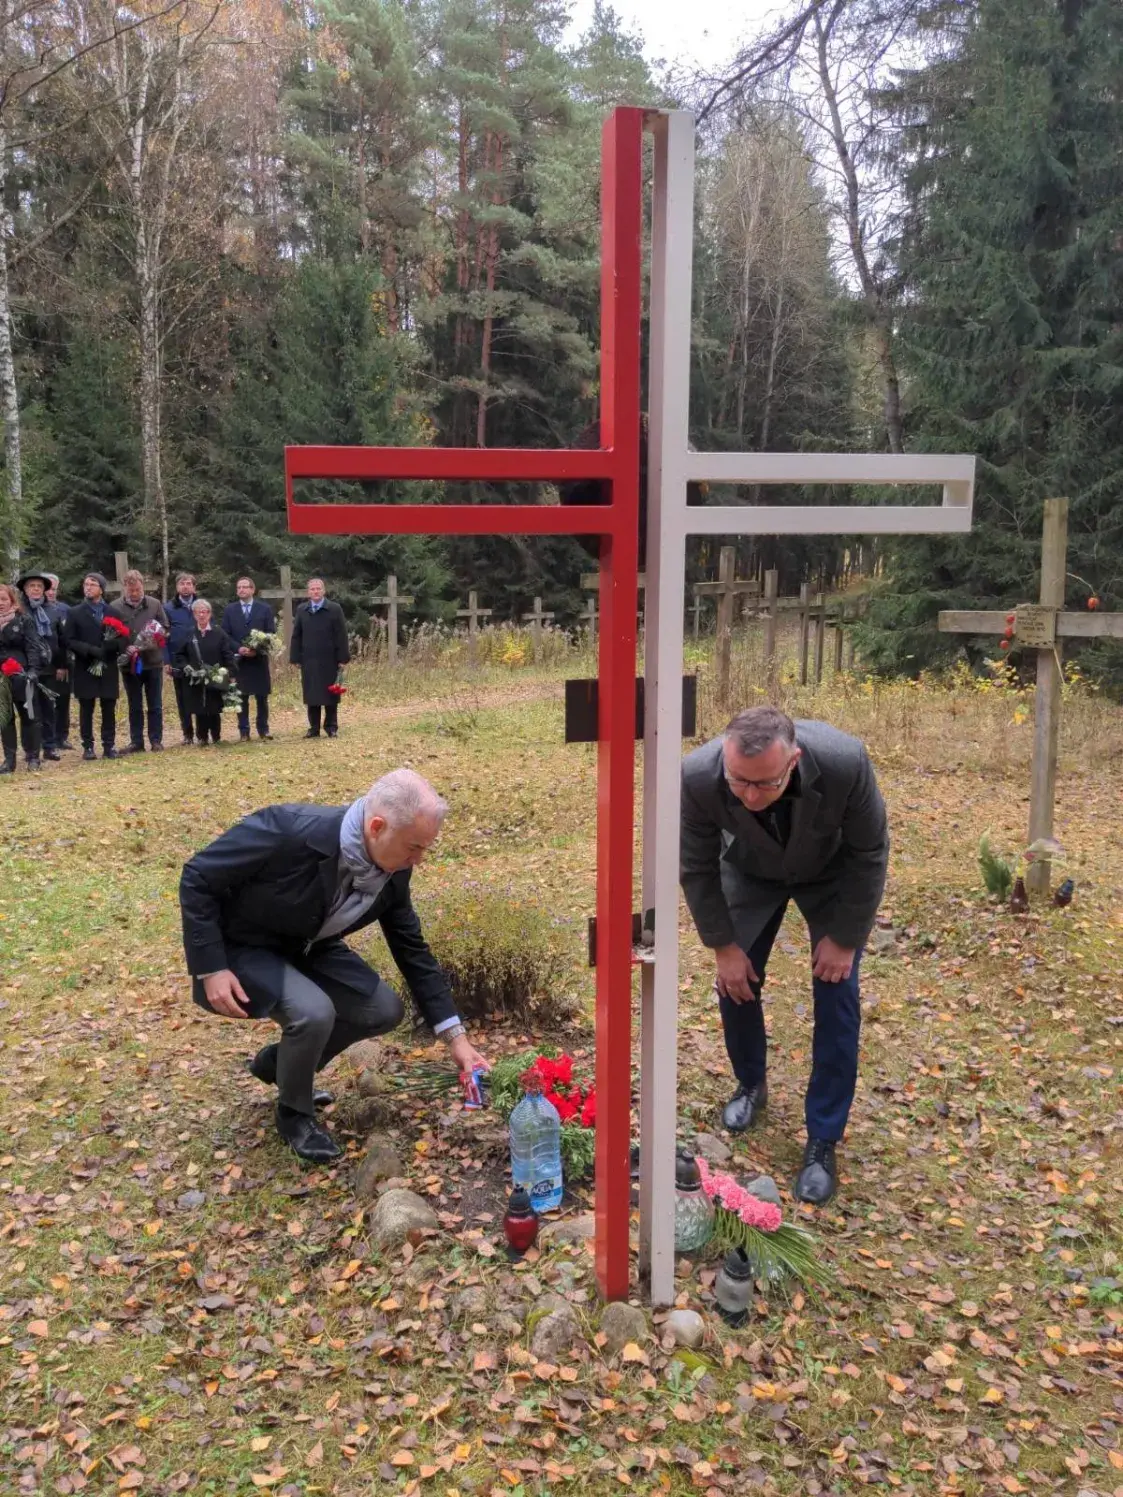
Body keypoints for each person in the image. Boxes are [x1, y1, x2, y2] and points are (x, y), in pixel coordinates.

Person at [179, 768, 490, 1161]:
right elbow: (198, 876)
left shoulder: (393, 873)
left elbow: (412, 950)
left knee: (381, 1009)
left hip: (308, 944)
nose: (419, 860)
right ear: (376, 827)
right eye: (414, 847)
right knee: (312, 1012)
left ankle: (280, 1064)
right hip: (243, 946)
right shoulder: (289, 831)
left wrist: (456, 1040)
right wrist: (211, 966)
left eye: (426, 848)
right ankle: (294, 1113)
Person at [680, 705, 889, 1205]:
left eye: (765, 784)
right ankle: (751, 1084)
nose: (750, 796)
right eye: (739, 782)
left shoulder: (844, 762)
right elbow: (695, 865)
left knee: (837, 998)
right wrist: (723, 947)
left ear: (793, 760)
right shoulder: (699, 775)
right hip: (750, 872)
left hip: (830, 874)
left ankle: (823, 1138)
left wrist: (843, 938)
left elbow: (870, 851)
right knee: (736, 983)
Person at [109, 569, 170, 753]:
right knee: (134, 704)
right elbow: (110, 634)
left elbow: (165, 628)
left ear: (142, 586)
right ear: (124, 588)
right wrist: (124, 648)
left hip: (152, 662)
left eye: (137, 589)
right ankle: (137, 741)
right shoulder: (115, 606)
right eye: (131, 590)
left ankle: (156, 740)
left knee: (155, 704)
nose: (134, 593)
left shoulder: (154, 604)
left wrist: (151, 641)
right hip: (130, 665)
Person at [64, 572, 122, 761]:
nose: (88, 587)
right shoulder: (75, 612)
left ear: (101, 589)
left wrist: (109, 646)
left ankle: (109, 745)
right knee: (86, 708)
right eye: (86, 584)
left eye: (93, 584)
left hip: (107, 666)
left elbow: (123, 638)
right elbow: (68, 640)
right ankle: (88, 746)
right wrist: (89, 650)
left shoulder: (113, 612)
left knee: (108, 706)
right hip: (85, 666)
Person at [172, 598, 237, 746]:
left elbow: (227, 654)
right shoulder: (189, 633)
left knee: (214, 707)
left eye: (204, 612)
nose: (201, 615)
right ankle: (202, 737)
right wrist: (186, 667)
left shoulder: (219, 633)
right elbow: (179, 655)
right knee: (199, 708)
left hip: (215, 677)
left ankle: (216, 736)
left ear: (209, 613)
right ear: (194, 614)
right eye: (198, 612)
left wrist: (230, 673)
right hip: (196, 679)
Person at [16, 570, 67, 761]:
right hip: (25, 668)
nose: (36, 589)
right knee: (28, 708)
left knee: (48, 708)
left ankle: (50, 745)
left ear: (45, 590)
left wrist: (62, 665)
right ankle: (30, 748)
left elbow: (61, 640)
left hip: (49, 667)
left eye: (39, 586)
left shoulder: (53, 611)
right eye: (32, 586)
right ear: (25, 590)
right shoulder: (19, 611)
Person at [0, 580, 50, 773]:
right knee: (5, 718)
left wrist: (33, 671)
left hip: (22, 675)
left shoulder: (23, 619)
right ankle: (9, 760)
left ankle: (33, 757)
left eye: (4, 599)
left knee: (29, 716)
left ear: (12, 601)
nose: (0, 603)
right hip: (1, 679)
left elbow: (33, 647)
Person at [290, 577, 349, 738]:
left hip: (329, 658)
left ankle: (331, 727)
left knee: (331, 694)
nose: (315, 592)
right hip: (309, 659)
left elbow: (341, 635)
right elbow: (296, 635)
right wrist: (295, 657)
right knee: (312, 694)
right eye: (312, 589)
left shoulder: (334, 609)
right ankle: (313, 728)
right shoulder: (302, 609)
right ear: (308, 592)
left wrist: (343, 658)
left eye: (318, 589)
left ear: (323, 591)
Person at [221, 577, 276, 741]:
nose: (242, 590)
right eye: (239, 587)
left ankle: (263, 729)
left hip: (258, 659)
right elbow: (225, 634)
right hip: (239, 661)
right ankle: (244, 731)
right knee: (242, 696)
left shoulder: (264, 609)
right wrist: (239, 648)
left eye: (245, 587)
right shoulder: (230, 610)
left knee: (261, 696)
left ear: (253, 589)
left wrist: (256, 649)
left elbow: (270, 633)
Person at [165, 572, 200, 745]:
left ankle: (202, 732)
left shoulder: (202, 606)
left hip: (199, 657)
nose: (185, 586)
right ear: (177, 587)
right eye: (182, 583)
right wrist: (166, 661)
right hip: (177, 658)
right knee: (182, 697)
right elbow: (162, 637)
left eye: (188, 583)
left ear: (194, 587)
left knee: (200, 694)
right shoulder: (168, 608)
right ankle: (187, 733)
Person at [45, 574, 73, 750]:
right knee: (46, 702)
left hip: (64, 662)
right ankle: (47, 738)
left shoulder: (65, 610)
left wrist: (64, 663)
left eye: (54, 589)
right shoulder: (34, 610)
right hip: (44, 665)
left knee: (63, 700)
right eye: (48, 589)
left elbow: (68, 638)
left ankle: (62, 736)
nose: (51, 592)